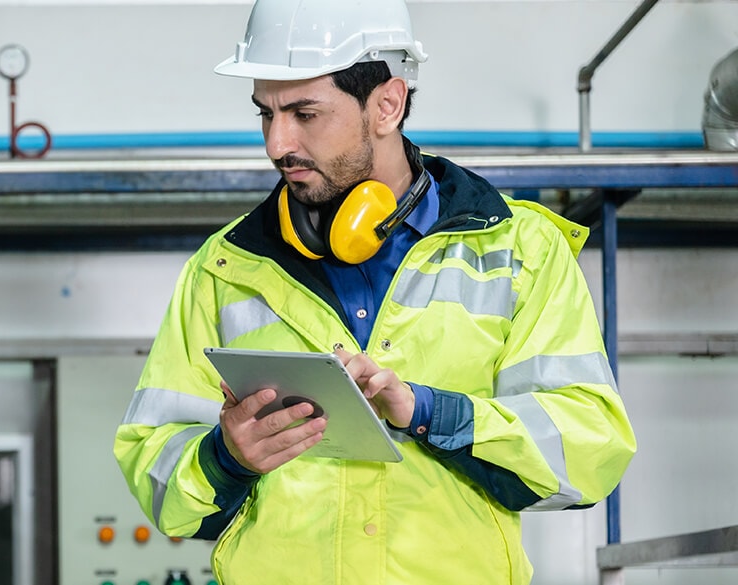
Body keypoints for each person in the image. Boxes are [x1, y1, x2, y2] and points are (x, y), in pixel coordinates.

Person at [112, 1, 636, 583]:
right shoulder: (224, 268)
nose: (276, 143)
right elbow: (154, 470)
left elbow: (590, 452)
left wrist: (434, 413)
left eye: (305, 113)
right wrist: (225, 457)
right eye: (266, 113)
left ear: (387, 104)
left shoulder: (519, 253)